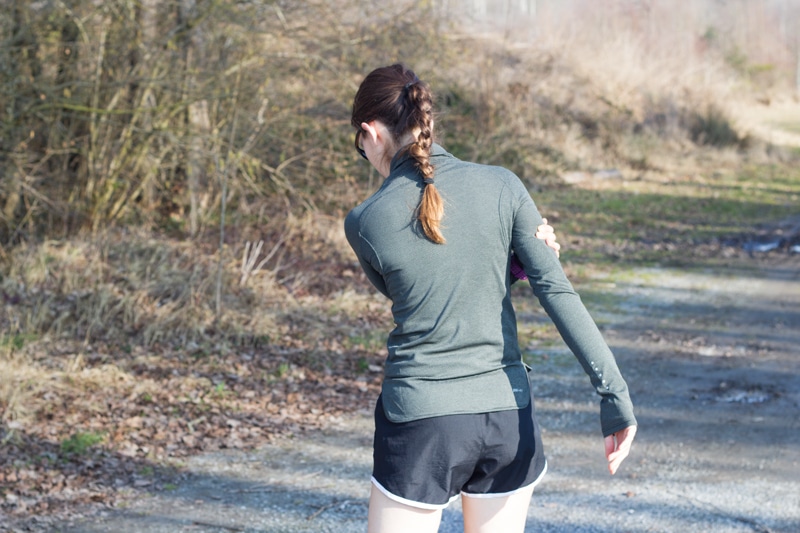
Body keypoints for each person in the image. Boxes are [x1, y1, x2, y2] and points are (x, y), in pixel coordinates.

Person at [344, 64, 636, 533]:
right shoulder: (504, 184)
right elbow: (556, 290)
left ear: (369, 131)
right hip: (505, 417)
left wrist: (506, 265)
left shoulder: (365, 221)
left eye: (361, 149)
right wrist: (614, 397)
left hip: (422, 422)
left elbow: (418, 296)